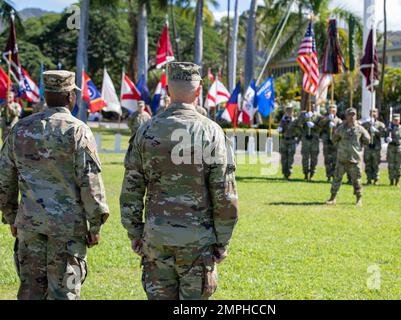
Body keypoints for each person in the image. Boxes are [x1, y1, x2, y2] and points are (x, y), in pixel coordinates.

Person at [120, 62, 238, 300]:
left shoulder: (146, 130)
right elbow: (224, 194)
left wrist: (135, 232)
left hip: (156, 238)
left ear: (167, 88)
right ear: (199, 89)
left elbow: (131, 188)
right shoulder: (212, 132)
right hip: (198, 242)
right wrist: (222, 240)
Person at [0, 70, 109, 300]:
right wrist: (95, 225)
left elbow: (4, 181)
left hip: (30, 227)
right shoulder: (78, 131)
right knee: (64, 294)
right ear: (71, 96)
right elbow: (90, 182)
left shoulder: (20, 129)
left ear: (46, 95)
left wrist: (12, 217)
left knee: (30, 292)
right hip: (67, 230)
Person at [326, 108, 370, 206]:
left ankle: (359, 199)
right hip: (342, 158)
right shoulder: (341, 128)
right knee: (337, 179)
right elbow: (334, 139)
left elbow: (367, 140)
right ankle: (332, 198)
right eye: (350, 115)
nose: (352, 117)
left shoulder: (360, 129)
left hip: (354, 159)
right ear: (346, 116)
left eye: (354, 115)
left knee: (357, 180)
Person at [290, 106, 321, 181]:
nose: (311, 107)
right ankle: (306, 174)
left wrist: (314, 126)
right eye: (309, 106)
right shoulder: (302, 115)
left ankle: (312, 173)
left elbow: (321, 128)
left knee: (314, 157)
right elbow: (297, 125)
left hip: (314, 139)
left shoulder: (318, 116)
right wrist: (305, 118)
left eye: (313, 106)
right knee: (305, 157)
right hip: (305, 139)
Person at [362, 108, 386, 185]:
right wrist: (368, 129)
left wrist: (376, 131)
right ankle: (368, 179)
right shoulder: (365, 124)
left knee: (376, 164)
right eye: (372, 112)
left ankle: (376, 179)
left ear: (377, 114)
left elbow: (383, 135)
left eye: (375, 112)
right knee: (368, 163)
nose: (373, 113)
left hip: (376, 147)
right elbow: (362, 134)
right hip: (368, 147)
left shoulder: (381, 125)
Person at [319, 104, 342, 182]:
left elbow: (341, 131)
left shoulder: (339, 121)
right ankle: (328, 175)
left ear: (336, 111)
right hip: (327, 142)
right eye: (331, 110)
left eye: (334, 110)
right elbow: (320, 124)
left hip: (335, 143)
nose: (332, 111)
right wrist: (327, 119)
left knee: (335, 160)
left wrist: (335, 126)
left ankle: (334, 176)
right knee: (327, 160)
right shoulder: (325, 118)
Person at [385, 113, 401, 186]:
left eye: (397, 120)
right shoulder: (389, 129)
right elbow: (384, 137)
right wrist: (387, 138)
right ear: (392, 120)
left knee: (399, 166)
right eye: (394, 120)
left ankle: (397, 181)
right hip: (391, 148)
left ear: (399, 120)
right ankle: (391, 181)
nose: (395, 121)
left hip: (399, 148)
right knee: (391, 165)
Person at [278, 104, 296, 179]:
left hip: (291, 140)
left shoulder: (295, 120)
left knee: (290, 158)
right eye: (287, 110)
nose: (289, 112)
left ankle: (289, 173)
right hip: (284, 140)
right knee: (283, 158)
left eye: (290, 110)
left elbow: (298, 130)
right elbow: (279, 128)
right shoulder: (283, 120)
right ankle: (284, 173)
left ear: (293, 112)